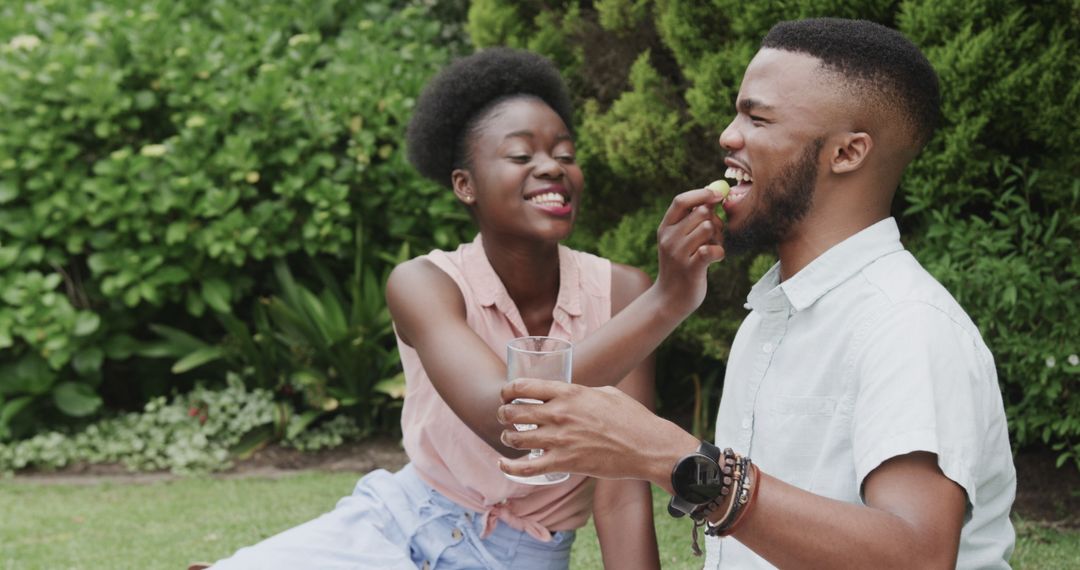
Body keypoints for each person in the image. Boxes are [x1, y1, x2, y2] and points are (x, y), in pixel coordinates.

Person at [497, 18, 1017, 569]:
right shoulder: (771, 315)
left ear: (847, 153)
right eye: (737, 111)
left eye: (757, 117)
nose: (727, 134)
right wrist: (671, 295)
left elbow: (917, 556)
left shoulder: (907, 325)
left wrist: (673, 458)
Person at [209, 47, 727, 569]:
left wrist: (656, 300)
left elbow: (620, 489)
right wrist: (667, 303)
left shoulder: (621, 294)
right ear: (465, 185)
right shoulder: (423, 283)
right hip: (399, 522)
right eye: (521, 156)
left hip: (523, 554)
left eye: (565, 155)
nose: (551, 167)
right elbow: (508, 426)